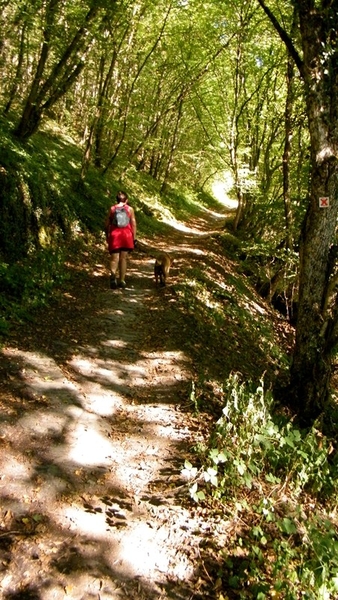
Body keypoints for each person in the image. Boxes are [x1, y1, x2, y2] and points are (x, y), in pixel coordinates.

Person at [105, 190, 137, 289]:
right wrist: (134, 238)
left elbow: (107, 223)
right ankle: (122, 280)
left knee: (114, 258)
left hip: (115, 235)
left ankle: (113, 276)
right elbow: (134, 224)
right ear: (126, 200)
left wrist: (107, 235)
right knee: (123, 258)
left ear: (117, 199)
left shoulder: (112, 209)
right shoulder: (130, 209)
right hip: (126, 236)